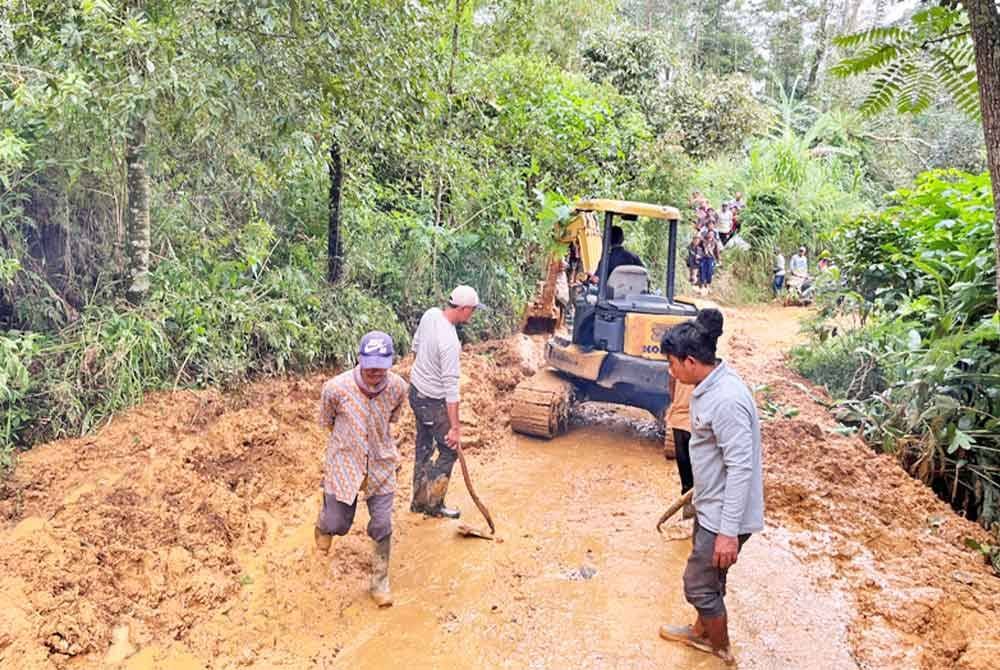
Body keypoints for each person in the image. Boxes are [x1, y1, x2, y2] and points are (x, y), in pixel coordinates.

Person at [657, 309, 764, 665]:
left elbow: (740, 467)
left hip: (723, 515)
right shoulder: (711, 384)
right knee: (711, 578)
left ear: (690, 361)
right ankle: (702, 631)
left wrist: (728, 533)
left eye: (673, 364)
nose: (671, 371)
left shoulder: (727, 400)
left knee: (698, 584)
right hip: (711, 505)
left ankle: (719, 650)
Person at [314, 331, 408, 607]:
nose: (375, 371)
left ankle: (379, 582)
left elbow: (392, 418)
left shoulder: (398, 388)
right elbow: (327, 421)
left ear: (390, 362)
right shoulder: (335, 389)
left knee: (382, 524)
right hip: (345, 464)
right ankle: (323, 524)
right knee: (338, 524)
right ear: (359, 359)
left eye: (381, 365)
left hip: (381, 464)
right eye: (370, 364)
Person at [409, 285, 486, 519]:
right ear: (462, 309)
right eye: (471, 311)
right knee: (448, 450)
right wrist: (455, 428)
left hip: (415, 392)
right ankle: (433, 504)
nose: (471, 315)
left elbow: (415, 348)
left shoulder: (430, 314)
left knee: (424, 444)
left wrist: (422, 377)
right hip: (433, 400)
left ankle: (418, 501)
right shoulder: (450, 343)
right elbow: (451, 391)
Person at [666, 376, 696, 520]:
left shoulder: (677, 363)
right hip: (694, 420)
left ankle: (688, 507)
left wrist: (675, 402)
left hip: (681, 417)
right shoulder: (707, 365)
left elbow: (671, 384)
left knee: (685, 467)